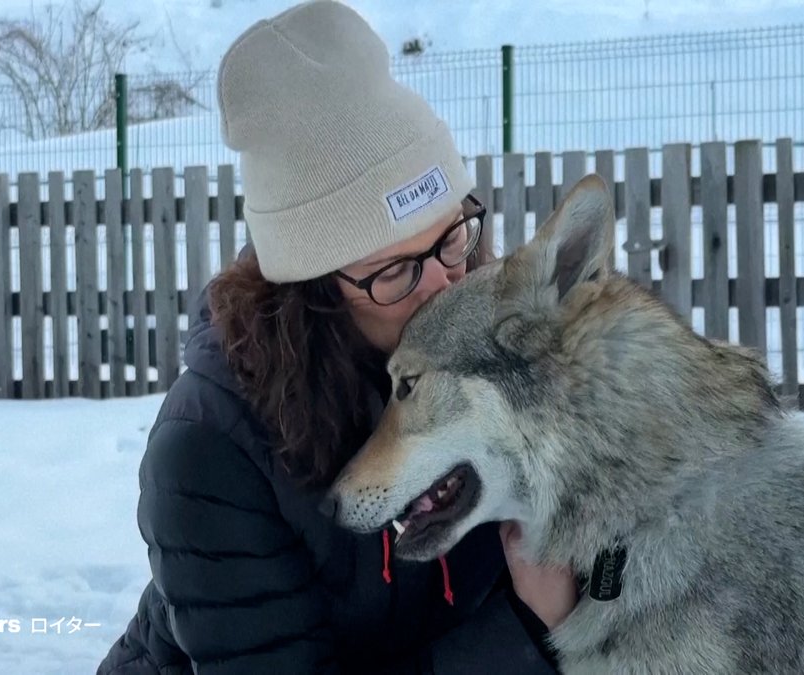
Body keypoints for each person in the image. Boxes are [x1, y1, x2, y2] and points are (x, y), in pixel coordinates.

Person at [97, 2, 578, 673]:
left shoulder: (504, 354)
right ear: (312, 293)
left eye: (450, 239)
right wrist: (526, 626)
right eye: (394, 272)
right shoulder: (210, 452)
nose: (444, 287)